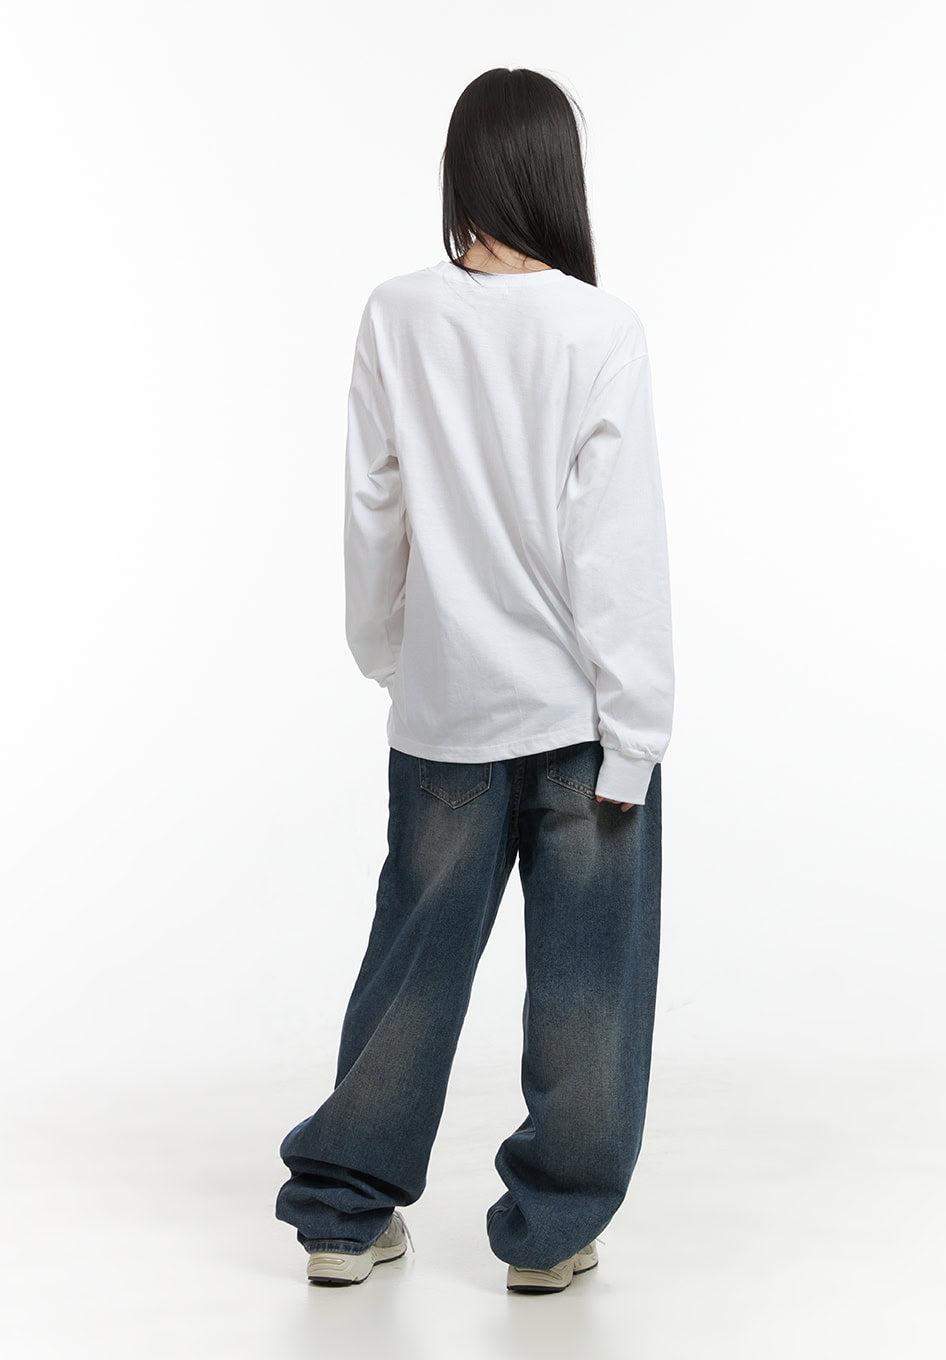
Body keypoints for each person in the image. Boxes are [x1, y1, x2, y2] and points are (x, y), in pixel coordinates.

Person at [274, 66, 675, 1295]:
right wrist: (638, 728)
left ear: (460, 173)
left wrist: (393, 655)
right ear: (557, 174)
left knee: (410, 970)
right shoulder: (597, 329)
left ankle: (343, 1214)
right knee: (588, 993)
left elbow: (372, 506)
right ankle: (549, 1237)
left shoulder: (397, 314)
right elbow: (613, 543)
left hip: (445, 713)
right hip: (577, 716)